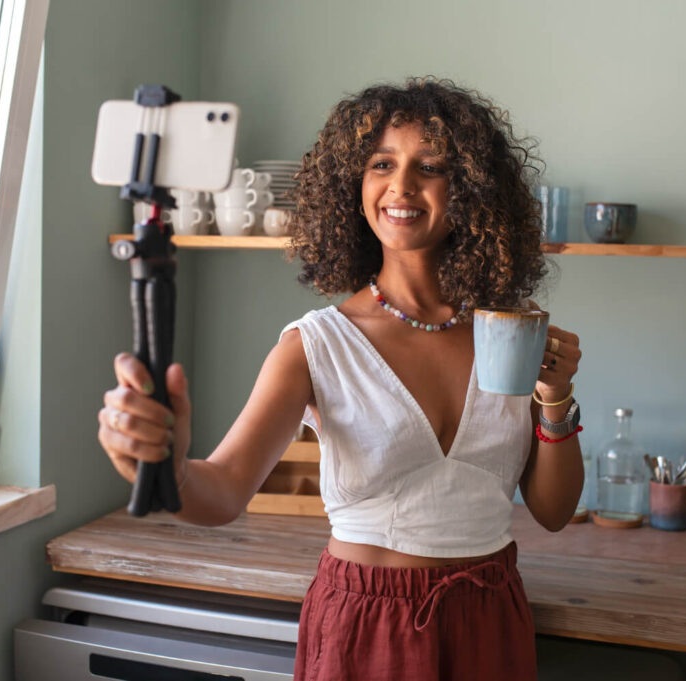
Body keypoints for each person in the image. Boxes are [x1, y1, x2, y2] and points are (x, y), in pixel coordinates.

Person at [98, 77, 583, 681]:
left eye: (429, 166)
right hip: (366, 626)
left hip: (489, 617)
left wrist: (556, 398)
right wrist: (162, 465)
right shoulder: (315, 345)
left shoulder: (510, 332)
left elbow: (554, 511)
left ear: (470, 191)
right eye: (382, 163)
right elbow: (221, 491)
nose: (401, 185)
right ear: (354, 183)